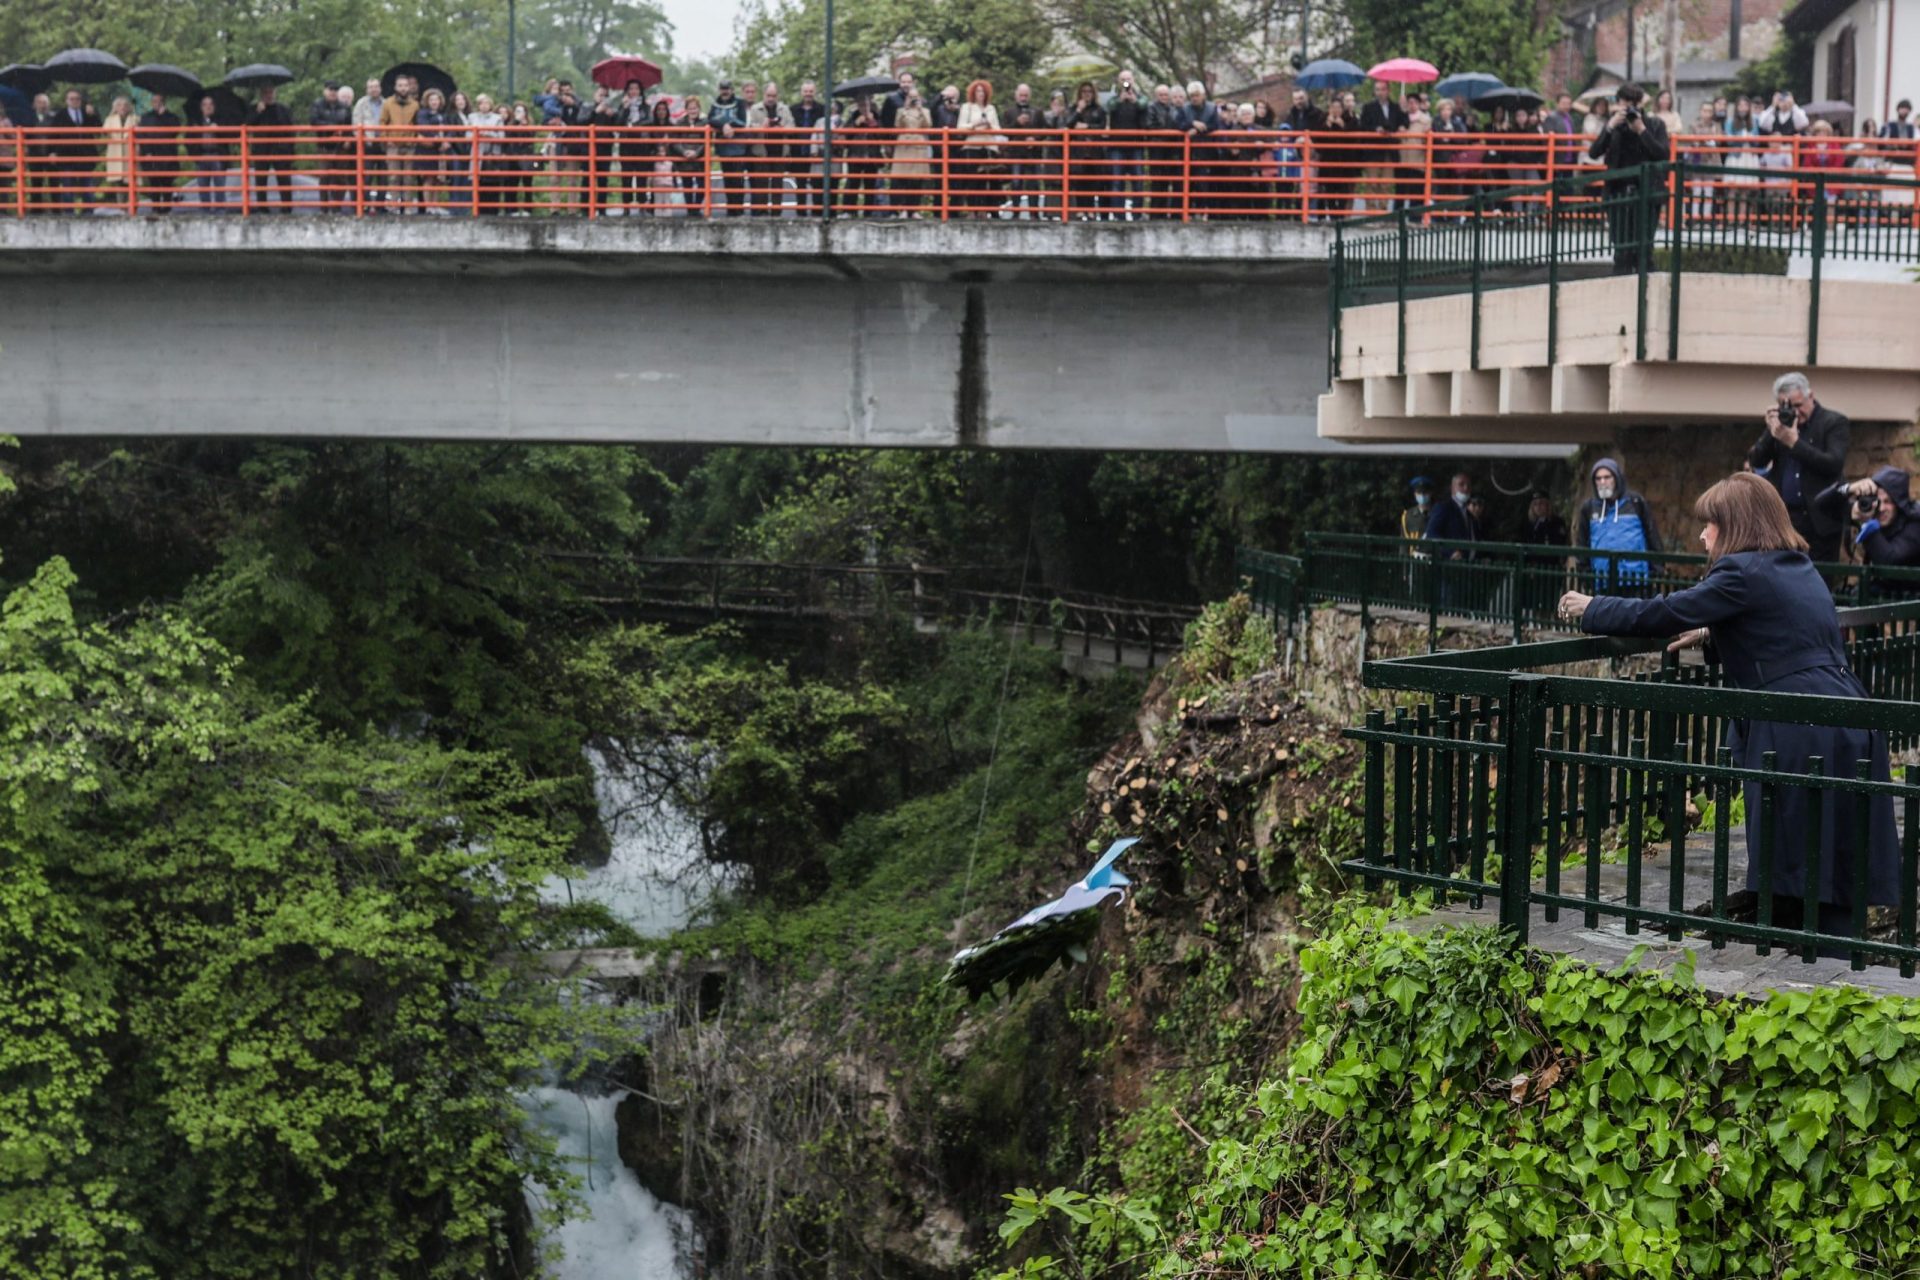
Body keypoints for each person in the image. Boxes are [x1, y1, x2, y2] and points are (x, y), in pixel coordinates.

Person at [1560, 473, 1897, 952]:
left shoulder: (1738, 571)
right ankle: (1835, 976)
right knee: (1835, 855)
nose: (1702, 535)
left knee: (1803, 855)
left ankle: (1813, 974)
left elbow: (1666, 612)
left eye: (1710, 525)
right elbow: (1784, 631)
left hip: (1798, 726)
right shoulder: (1795, 564)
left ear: (1734, 525)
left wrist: (1594, 606)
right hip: (1844, 717)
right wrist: (1713, 635)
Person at [1749, 371, 1850, 562]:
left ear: (1810, 396)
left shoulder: (1833, 422)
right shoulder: (1780, 427)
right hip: (1786, 521)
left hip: (1821, 522)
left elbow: (1833, 464)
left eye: (1797, 405)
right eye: (1786, 406)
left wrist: (1794, 443)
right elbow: (1757, 461)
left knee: (1819, 583)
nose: (1794, 412)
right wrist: (1772, 431)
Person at [1586, 83, 1669, 273]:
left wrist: (1641, 130)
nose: (1629, 109)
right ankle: (1622, 296)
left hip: (1647, 194)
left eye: (1633, 105)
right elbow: (1594, 152)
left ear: (1640, 105)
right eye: (1624, 105)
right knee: (1621, 251)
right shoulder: (1615, 127)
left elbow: (1662, 154)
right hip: (1618, 194)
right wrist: (1609, 127)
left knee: (1644, 251)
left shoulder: (1655, 125)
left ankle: (1645, 297)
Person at [1572, 456, 1660, 590]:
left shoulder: (1635, 502)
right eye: (1598, 478)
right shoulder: (1588, 508)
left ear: (1617, 478)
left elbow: (1652, 535)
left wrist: (1656, 569)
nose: (1602, 482)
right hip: (1602, 581)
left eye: (1607, 477)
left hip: (1635, 580)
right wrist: (1585, 576)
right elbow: (1582, 544)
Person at [1815, 467, 1920, 573]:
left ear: (1899, 503)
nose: (1881, 508)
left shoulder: (1914, 522)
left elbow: (1889, 560)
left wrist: (1867, 525)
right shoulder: (1870, 512)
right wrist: (1849, 488)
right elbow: (1821, 504)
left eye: (1888, 501)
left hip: (1908, 588)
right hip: (1875, 586)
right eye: (1877, 501)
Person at [47, 88, 103, 211]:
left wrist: (93, 114)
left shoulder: (87, 112)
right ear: (66, 100)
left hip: (85, 156)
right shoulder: (60, 115)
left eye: (77, 98)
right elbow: (52, 135)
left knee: (87, 188)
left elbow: (99, 128)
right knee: (68, 188)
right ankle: (69, 214)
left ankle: (89, 213)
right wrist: (51, 152)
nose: (75, 101)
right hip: (66, 156)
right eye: (71, 99)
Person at [1356, 79, 1407, 213]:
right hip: (1373, 151)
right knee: (1372, 183)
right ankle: (1371, 212)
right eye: (1377, 89)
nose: (1380, 92)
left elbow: (1403, 122)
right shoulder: (1368, 107)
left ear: (1388, 91)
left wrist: (1403, 116)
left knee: (1386, 184)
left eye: (1383, 89)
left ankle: (1383, 211)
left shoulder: (1396, 107)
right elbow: (1362, 126)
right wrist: (1375, 130)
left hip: (1390, 150)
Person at [746, 81, 795, 215]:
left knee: (778, 184)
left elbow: (793, 128)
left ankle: (776, 211)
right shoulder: (756, 109)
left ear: (777, 96)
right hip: (762, 152)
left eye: (773, 95)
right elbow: (750, 127)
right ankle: (762, 212)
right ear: (764, 95)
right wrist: (763, 126)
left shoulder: (784, 109)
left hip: (779, 152)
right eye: (768, 95)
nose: (771, 98)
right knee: (761, 184)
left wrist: (781, 128)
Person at [248, 84, 295, 212]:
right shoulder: (254, 108)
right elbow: (247, 124)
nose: (269, 95)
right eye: (266, 93)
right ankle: (262, 208)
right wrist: (258, 112)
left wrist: (290, 150)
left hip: (280, 149)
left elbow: (290, 129)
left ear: (275, 93)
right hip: (261, 150)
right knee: (261, 180)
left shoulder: (283, 109)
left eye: (271, 92)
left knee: (284, 179)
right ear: (261, 95)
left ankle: (287, 208)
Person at [1005, 83, 1049, 218]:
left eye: (1025, 95)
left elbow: (1045, 130)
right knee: (1016, 182)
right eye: (1021, 95)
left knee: (1033, 183)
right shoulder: (1009, 112)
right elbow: (1005, 132)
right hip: (1017, 153)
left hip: (1034, 153)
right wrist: (1017, 122)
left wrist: (1035, 139)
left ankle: (1034, 214)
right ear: (1016, 95)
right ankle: (1015, 213)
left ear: (1029, 96)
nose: (1023, 98)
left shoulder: (1037, 111)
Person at [379, 74, 422, 212]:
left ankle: (407, 206)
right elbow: (382, 122)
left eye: (405, 85)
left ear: (409, 87)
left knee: (409, 177)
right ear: (396, 87)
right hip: (393, 144)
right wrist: (386, 139)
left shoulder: (415, 104)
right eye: (400, 85)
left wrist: (415, 138)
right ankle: (393, 205)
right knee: (393, 176)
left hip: (409, 145)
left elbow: (418, 124)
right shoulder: (388, 103)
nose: (403, 88)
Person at [888, 90, 933, 216]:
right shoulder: (901, 111)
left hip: (918, 145)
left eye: (915, 97)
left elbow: (928, 126)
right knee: (900, 179)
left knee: (916, 180)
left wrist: (920, 110)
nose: (913, 99)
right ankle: (900, 209)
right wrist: (905, 108)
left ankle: (913, 210)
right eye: (911, 97)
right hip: (904, 145)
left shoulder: (925, 111)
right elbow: (897, 126)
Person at [708, 80, 749, 216]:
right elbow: (710, 119)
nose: (725, 91)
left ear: (732, 90)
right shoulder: (715, 103)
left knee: (738, 180)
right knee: (727, 180)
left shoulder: (740, 103)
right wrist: (724, 125)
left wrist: (729, 125)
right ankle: (730, 210)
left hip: (738, 148)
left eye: (727, 89)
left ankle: (739, 210)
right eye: (722, 89)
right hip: (723, 148)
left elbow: (742, 122)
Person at [136, 93, 182, 210]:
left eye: (158, 101)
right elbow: (141, 135)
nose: (156, 103)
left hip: (167, 154)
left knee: (167, 182)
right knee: (154, 182)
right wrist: (147, 152)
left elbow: (175, 130)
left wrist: (164, 115)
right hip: (151, 154)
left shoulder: (171, 117)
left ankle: (167, 207)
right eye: (154, 101)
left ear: (163, 102)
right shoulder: (146, 117)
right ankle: (155, 207)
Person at [310, 82, 352, 210]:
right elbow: (314, 121)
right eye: (330, 89)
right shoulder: (317, 105)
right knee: (325, 177)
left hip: (340, 146)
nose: (333, 92)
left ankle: (336, 206)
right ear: (325, 91)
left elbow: (349, 125)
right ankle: (324, 206)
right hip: (325, 145)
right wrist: (332, 127)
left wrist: (347, 138)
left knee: (340, 177)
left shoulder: (344, 107)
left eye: (335, 89)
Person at [186, 91, 231, 207]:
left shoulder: (222, 120)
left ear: (214, 107)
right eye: (205, 104)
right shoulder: (195, 121)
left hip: (217, 155)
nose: (208, 107)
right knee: (203, 186)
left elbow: (231, 136)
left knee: (220, 185)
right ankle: (205, 209)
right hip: (202, 155)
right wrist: (194, 155)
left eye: (210, 104)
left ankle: (220, 209)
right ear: (201, 107)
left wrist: (219, 129)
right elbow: (188, 140)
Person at [790, 81, 828, 214]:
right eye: (806, 91)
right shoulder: (793, 109)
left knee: (817, 183)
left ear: (815, 92)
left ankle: (817, 213)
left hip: (816, 152)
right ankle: (801, 212)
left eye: (810, 91)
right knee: (800, 183)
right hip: (799, 151)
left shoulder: (823, 109)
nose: (808, 94)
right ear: (801, 93)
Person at [1424, 472, 1478, 548]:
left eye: (1468, 485)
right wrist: (1450, 552)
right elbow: (1432, 533)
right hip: (1448, 559)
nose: (1466, 488)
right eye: (1461, 485)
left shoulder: (1469, 515)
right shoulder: (1443, 508)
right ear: (1452, 488)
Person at [353, 77, 384, 205]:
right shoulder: (361, 103)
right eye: (371, 87)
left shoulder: (386, 103)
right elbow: (356, 122)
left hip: (383, 143)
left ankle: (380, 205)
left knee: (383, 177)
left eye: (376, 87)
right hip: (367, 142)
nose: (373, 90)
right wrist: (361, 139)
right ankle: (364, 204)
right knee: (366, 175)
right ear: (367, 89)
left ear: (380, 88)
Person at [101, 95, 136, 194]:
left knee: (132, 182)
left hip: (130, 153)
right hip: (116, 152)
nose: (122, 107)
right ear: (115, 107)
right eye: (119, 105)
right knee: (118, 182)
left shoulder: (135, 118)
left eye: (125, 105)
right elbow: (104, 132)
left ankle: (132, 207)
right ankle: (121, 207)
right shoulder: (110, 119)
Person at [1400, 476, 1434, 541]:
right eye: (1419, 493)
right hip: (1415, 551)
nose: (1422, 496)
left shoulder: (1437, 514)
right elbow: (1404, 543)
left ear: (1430, 493)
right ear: (1415, 494)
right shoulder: (1408, 516)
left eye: (1425, 493)